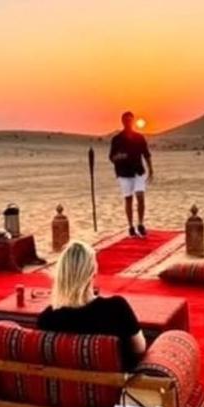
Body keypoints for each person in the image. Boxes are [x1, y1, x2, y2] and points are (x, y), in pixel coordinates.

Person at [37, 241, 147, 369]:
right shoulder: (116, 309)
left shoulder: (47, 318)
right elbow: (139, 348)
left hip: (70, 386)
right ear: (93, 271)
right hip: (114, 386)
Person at [109, 111, 153, 238]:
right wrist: (119, 157)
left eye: (130, 120)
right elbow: (112, 157)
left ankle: (140, 223)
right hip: (123, 173)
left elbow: (146, 154)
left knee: (140, 196)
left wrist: (151, 169)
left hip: (138, 171)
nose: (128, 122)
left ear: (133, 121)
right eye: (126, 120)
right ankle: (130, 226)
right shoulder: (116, 139)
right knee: (128, 199)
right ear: (122, 121)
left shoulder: (139, 137)